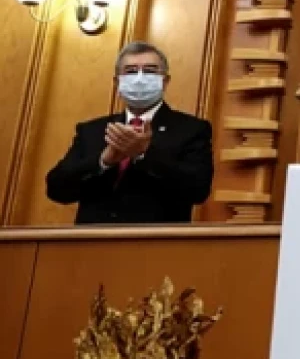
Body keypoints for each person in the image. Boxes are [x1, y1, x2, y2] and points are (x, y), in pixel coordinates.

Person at [46, 42, 213, 224]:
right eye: (131, 71)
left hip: (156, 239)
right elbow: (56, 189)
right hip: (94, 238)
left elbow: (198, 190)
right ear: (117, 82)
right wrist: (103, 161)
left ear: (165, 81)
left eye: (150, 71)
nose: (140, 78)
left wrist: (144, 154)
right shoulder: (92, 130)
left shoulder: (191, 129)